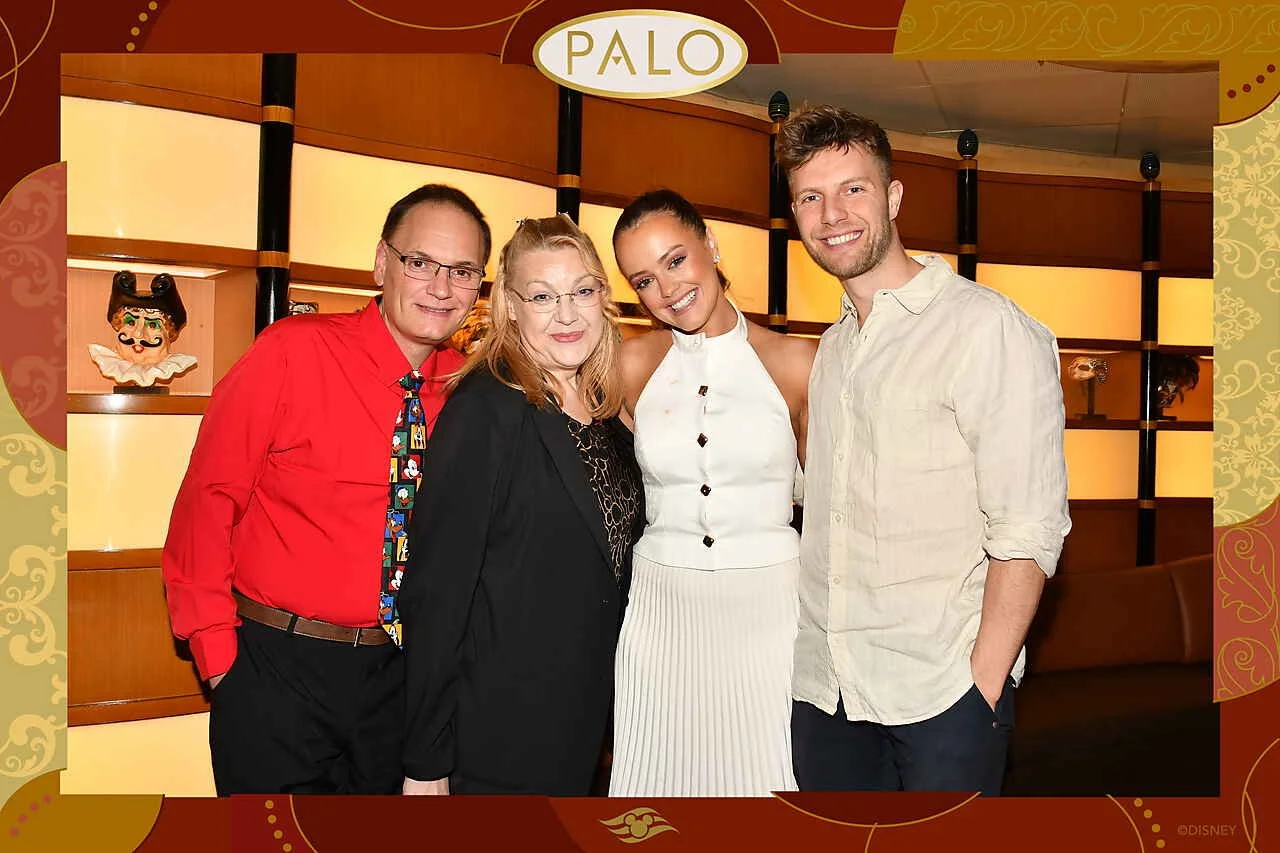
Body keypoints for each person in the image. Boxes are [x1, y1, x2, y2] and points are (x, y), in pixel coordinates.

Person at [777, 105, 1072, 795]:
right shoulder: (834, 347)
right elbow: (826, 497)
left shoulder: (984, 327)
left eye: (853, 188)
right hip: (828, 694)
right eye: (810, 197)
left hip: (941, 696)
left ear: (894, 196)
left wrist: (982, 684)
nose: (832, 214)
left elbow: (1030, 525)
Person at [162, 184, 491, 795]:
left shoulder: (472, 392)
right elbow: (208, 500)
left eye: (463, 271)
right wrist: (219, 657)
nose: (441, 287)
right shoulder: (291, 351)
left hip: (403, 681)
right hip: (276, 672)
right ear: (381, 263)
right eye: (420, 262)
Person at [399, 214, 643, 797]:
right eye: (542, 296)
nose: (567, 314)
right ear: (510, 306)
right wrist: (426, 760)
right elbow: (436, 593)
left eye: (582, 291)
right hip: (497, 733)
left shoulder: (608, 413)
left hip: (585, 723)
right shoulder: (486, 409)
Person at [606, 189, 817, 797]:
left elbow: (832, 506)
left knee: (764, 787)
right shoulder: (628, 366)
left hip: (769, 613)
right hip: (660, 612)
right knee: (656, 789)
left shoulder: (794, 363)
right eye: (643, 279)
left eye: (676, 261)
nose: (667, 290)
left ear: (712, 247)